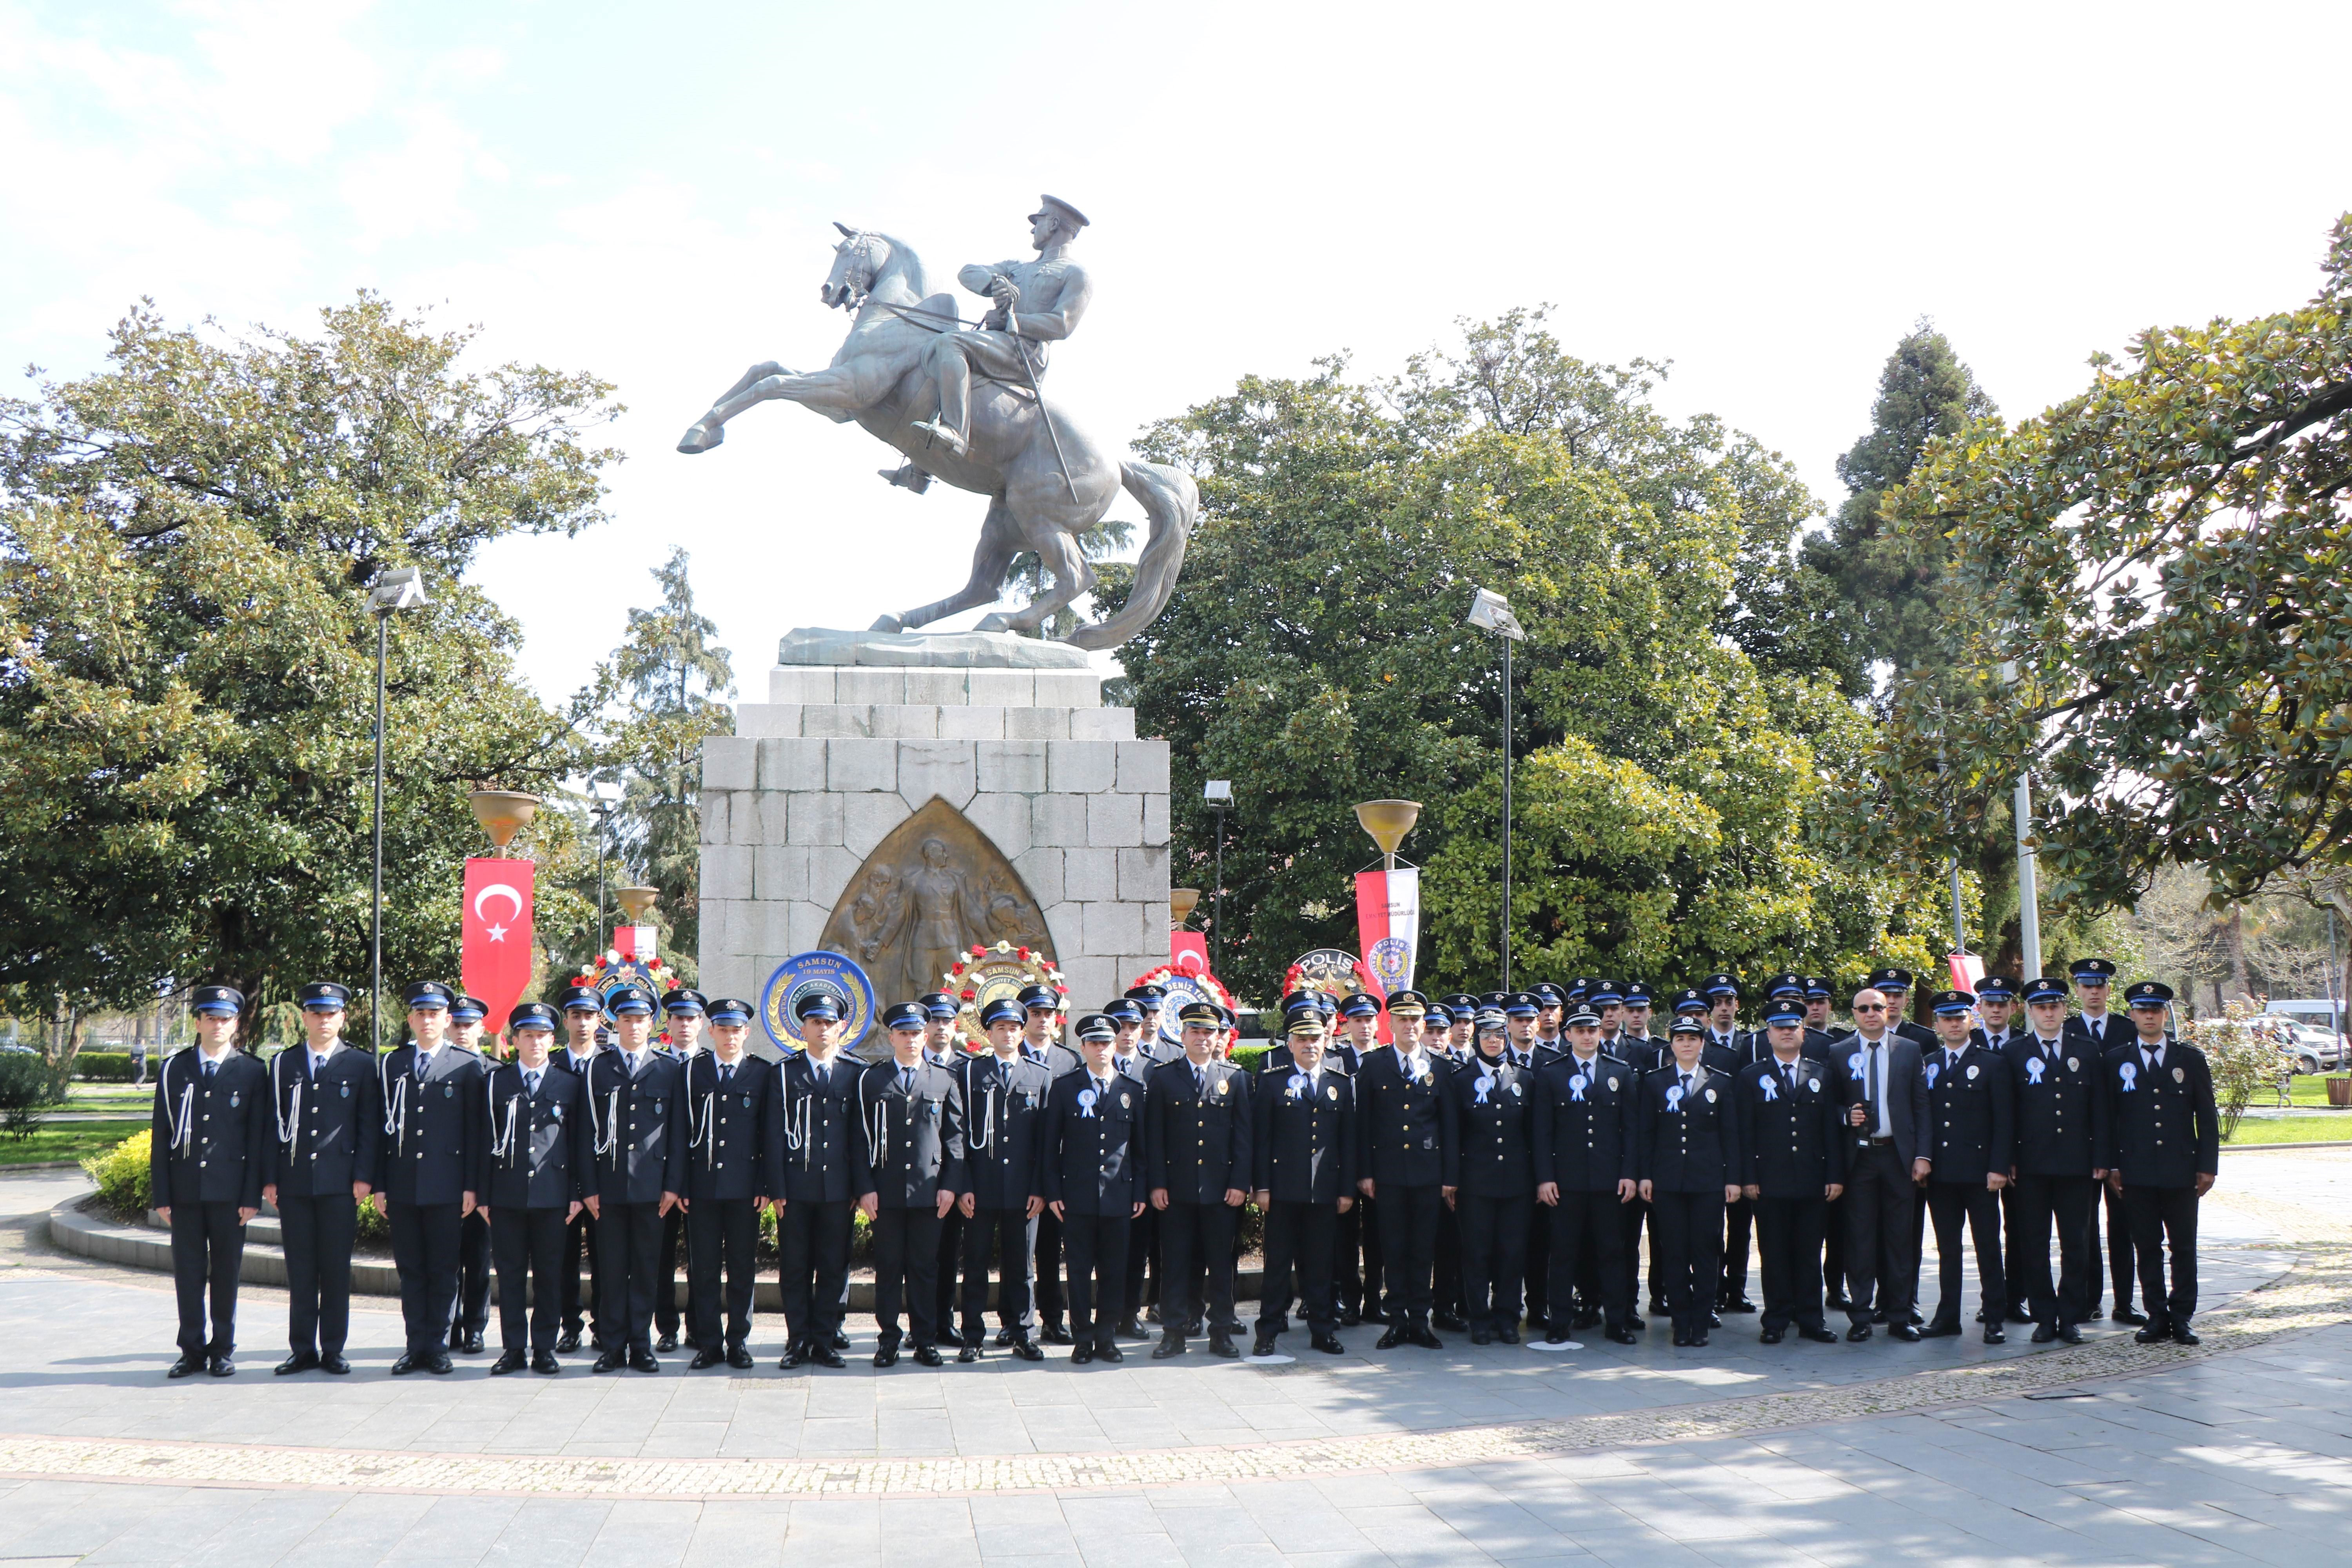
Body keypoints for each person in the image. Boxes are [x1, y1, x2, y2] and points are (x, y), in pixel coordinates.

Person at [907, 195, 1095, 461]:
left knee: (951, 343)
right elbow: (968, 272)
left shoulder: (1076, 274)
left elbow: (1063, 324)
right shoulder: (1017, 268)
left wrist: (1012, 321)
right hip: (997, 344)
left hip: (1025, 353)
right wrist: (994, 282)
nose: (1033, 228)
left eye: (1038, 221)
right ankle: (920, 469)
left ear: (1053, 224)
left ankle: (956, 435)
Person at [151, 984, 270, 1378]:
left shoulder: (252, 1070)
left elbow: (257, 1139)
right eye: (211, 1018)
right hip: (185, 1191)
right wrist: (162, 1194)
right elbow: (162, 1135)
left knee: (225, 1272)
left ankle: (223, 1349)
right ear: (198, 1022)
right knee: (187, 1272)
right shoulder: (175, 1068)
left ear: (236, 1024)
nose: (218, 1025)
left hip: (229, 1192)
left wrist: (251, 1195)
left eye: (226, 1019)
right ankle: (191, 1350)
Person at [264, 981, 379, 1376]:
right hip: (294, 1183)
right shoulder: (283, 1063)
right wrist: (270, 1177)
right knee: (299, 1269)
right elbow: (270, 1126)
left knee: (334, 1268)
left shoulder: (362, 1064)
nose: (324, 1020)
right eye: (317, 1012)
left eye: (332, 1013)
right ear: (306, 1018)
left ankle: (333, 1348)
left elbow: (369, 1125)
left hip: (340, 1183)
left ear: (342, 1017)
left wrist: (365, 1176)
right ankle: (302, 1349)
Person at [374, 981, 486, 1376]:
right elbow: (381, 1130)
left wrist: (472, 1185)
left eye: (434, 1013)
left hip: (447, 1185)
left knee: (443, 1269)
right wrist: (380, 1184)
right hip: (404, 1184)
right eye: (420, 1013)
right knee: (411, 1269)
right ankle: (414, 1345)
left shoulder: (467, 1064)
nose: (427, 1020)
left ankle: (437, 1345)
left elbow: (476, 1133)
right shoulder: (393, 1064)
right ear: (410, 1018)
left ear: (447, 1019)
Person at [477, 1002, 590, 1375]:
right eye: (529, 1036)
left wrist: (577, 1192)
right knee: (509, 1274)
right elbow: (483, 1142)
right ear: (515, 1041)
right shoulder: (496, 1082)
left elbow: (579, 1145)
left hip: (553, 1195)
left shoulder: (569, 1084)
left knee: (549, 1274)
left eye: (543, 1036)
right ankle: (513, 1349)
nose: (536, 1042)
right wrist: (483, 1194)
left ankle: (544, 1347)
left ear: (552, 1039)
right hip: (507, 1194)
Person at [2104, 981, 2220, 1345]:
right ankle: (2156, 1315)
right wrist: (2112, 1165)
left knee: (2183, 1246)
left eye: (2156, 1009)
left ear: (2165, 1014)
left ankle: (2182, 1316)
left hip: (2180, 1169)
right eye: (2142, 1010)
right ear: (2133, 1015)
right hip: (2136, 1171)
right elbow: (2108, 1118)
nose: (2150, 1015)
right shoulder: (2117, 1060)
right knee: (2147, 1247)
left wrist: (2207, 1166)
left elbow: (2207, 1116)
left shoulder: (2190, 1059)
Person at [854, 1002, 967, 1367]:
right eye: (903, 1033)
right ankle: (888, 1339)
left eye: (916, 1033)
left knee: (923, 1268)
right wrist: (865, 1187)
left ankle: (924, 1339)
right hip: (884, 1193)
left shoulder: (943, 1079)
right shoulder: (872, 1080)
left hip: (928, 1192)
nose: (910, 1039)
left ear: (925, 1035)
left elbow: (954, 1139)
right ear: (892, 1037)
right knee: (888, 1268)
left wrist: (950, 1184)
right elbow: (860, 1140)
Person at [583, 984, 686, 1373]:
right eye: (626, 1019)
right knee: (610, 1269)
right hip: (608, 1188)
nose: (633, 1026)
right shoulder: (599, 1066)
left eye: (640, 1020)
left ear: (652, 1024)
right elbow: (585, 1134)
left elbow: (678, 1134)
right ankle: (612, 1346)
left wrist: (672, 1185)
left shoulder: (668, 1069)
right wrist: (589, 1187)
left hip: (651, 1188)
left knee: (645, 1269)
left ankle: (641, 1345)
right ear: (616, 1022)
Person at [2002, 976, 2107, 1343]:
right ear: (2030, 1012)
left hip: (2077, 1165)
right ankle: (2044, 1317)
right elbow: (2007, 1114)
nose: (2049, 1013)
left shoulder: (2087, 1049)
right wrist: (2008, 1159)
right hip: (2030, 1166)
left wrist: (2101, 1157)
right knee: (2033, 1243)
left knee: (2076, 1244)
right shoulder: (2014, 1053)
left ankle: (2070, 1316)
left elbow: (2100, 1110)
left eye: (2055, 1006)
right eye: (2041, 1007)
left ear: (2065, 1009)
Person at [1146, 1000, 1252, 1359]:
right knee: (1174, 1264)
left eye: (1210, 1032)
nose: (1203, 1038)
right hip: (1176, 1191)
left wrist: (1240, 1183)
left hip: (1222, 1192)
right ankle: (1173, 1332)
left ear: (1218, 1036)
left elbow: (1243, 1137)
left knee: (1222, 1266)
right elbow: (1154, 1137)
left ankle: (1221, 1332)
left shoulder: (1235, 1078)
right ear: (1183, 1034)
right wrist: (1158, 1184)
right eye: (1196, 1031)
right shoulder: (1162, 1077)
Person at [1735, 1000, 1845, 1345]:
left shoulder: (1822, 1075)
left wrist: (1835, 1175)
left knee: (1810, 1252)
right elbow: (1744, 1132)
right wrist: (1748, 1177)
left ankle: (1812, 1318)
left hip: (1813, 1179)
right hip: (1769, 1181)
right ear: (1768, 1034)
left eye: (1792, 1026)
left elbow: (1831, 1132)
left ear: (1803, 1033)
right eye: (1779, 1027)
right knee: (1775, 1253)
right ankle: (1777, 1319)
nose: (1786, 1032)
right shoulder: (1751, 1077)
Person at [1042, 1013, 1146, 1362]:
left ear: (1115, 1046)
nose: (1102, 1049)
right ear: (1083, 1047)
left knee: (1114, 1272)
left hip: (1119, 1198)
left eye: (1107, 1043)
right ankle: (1083, 1338)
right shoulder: (1064, 1087)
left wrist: (1140, 1191)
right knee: (1079, 1271)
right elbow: (1050, 1147)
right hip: (1077, 1198)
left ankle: (1107, 1338)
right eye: (1095, 1043)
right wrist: (1054, 1192)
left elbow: (1141, 1149)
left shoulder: (1132, 1090)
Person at [1252, 1006, 1355, 1356]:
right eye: (1303, 1040)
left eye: (1316, 1039)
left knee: (1321, 1265)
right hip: (1282, 1191)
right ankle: (1267, 1330)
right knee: (1277, 1265)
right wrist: (1261, 1187)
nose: (1310, 1045)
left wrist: (1345, 1190)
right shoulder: (1272, 1081)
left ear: (1326, 1042)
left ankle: (1322, 1330)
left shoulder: (1340, 1084)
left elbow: (1347, 1143)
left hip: (1325, 1192)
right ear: (1291, 1044)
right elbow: (1261, 1140)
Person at [1534, 1005, 1639, 1345]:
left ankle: (1617, 1322)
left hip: (1610, 1182)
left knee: (1612, 1252)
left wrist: (1629, 1173)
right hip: (1567, 1182)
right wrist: (1545, 1178)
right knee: (1563, 1254)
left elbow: (1631, 1131)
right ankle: (1560, 1322)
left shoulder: (1620, 1072)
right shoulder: (1551, 1074)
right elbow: (1543, 1133)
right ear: (1569, 1035)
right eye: (1580, 1030)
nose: (1588, 1036)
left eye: (1592, 1030)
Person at [956, 996, 1053, 1362]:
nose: (1009, 1034)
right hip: (980, 1188)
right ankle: (973, 1337)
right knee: (976, 1265)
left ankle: (1023, 1333)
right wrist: (963, 1184)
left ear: (1022, 1031)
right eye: (1001, 1028)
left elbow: (1046, 1142)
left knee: (1022, 1267)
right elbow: (958, 1136)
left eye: (1014, 1028)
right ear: (989, 1033)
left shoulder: (1040, 1076)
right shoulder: (969, 1073)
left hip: (1023, 1191)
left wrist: (1040, 1189)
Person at [679, 996, 774, 1370]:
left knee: (741, 1268)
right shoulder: (692, 1072)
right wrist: (681, 1184)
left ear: (747, 1033)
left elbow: (769, 1136)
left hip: (744, 1189)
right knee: (702, 1269)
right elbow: (680, 1133)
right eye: (724, 1029)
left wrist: (765, 1184)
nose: (730, 1036)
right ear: (712, 1031)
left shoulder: (762, 1074)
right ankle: (709, 1343)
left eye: (737, 1029)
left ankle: (738, 1341)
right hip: (702, 1188)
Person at [1635, 1017, 1742, 1347]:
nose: (1686, 1044)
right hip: (1668, 1182)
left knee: (1707, 1251)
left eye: (1693, 1039)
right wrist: (1645, 1176)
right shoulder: (1655, 1082)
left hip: (1708, 1182)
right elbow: (1646, 1135)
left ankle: (1702, 1323)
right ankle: (1680, 1323)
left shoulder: (1720, 1082)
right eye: (1680, 1038)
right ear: (1671, 1044)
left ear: (1702, 1044)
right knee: (1675, 1253)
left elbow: (1731, 1136)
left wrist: (1733, 1179)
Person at [1916, 990, 2014, 1343]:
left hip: (1980, 1173)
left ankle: (1994, 1316)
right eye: (1947, 1018)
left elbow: (2004, 1121)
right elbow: (1923, 1116)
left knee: (1987, 1245)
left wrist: (1999, 1167)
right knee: (1948, 1248)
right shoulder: (1927, 1063)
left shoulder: (1992, 1062)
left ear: (1971, 1019)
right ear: (1938, 1024)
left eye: (1959, 1017)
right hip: (1942, 1173)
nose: (1954, 1024)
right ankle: (1947, 1316)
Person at [1835, 987, 1931, 1342]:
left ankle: (1899, 1315)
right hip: (1859, 1158)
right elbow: (1830, 1104)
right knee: (1860, 1240)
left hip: (1898, 1158)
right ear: (1855, 1014)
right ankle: (1860, 1316)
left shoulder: (1909, 1050)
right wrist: (1846, 1115)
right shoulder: (1839, 1052)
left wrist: (1923, 1155)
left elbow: (1922, 1106)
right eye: (1864, 1009)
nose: (1873, 1013)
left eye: (1879, 1007)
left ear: (1888, 1011)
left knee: (1900, 1240)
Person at [773, 990, 859, 1369]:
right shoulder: (784, 1073)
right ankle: (797, 1341)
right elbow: (772, 1135)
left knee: (833, 1266)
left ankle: (824, 1340)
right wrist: (775, 1188)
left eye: (829, 1023)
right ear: (802, 1028)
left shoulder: (856, 1074)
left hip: (839, 1190)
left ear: (840, 1028)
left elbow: (861, 1137)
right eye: (816, 1023)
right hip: (795, 1188)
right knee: (794, 1267)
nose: (823, 1029)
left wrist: (860, 1187)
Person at [1355, 993, 1446, 1350]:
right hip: (1388, 1174)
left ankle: (1420, 1322)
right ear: (1389, 1025)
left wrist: (1449, 1176)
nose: (1410, 1026)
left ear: (1423, 1025)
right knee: (1393, 1248)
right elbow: (1363, 1125)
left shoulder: (1440, 1066)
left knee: (1423, 1250)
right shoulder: (1374, 1066)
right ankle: (1396, 1321)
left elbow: (1447, 1125)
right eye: (1402, 1020)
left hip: (1428, 1174)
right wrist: (1364, 1171)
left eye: (1415, 1020)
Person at [1440, 1004, 1534, 1345]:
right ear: (1476, 1039)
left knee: (1512, 1253)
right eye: (1486, 1035)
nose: (1493, 1040)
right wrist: (1451, 1180)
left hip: (1516, 1183)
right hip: (1475, 1182)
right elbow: (1452, 1134)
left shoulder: (1524, 1077)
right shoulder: (1460, 1080)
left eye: (1498, 1034)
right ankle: (1480, 1318)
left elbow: (1533, 1135)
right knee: (1477, 1253)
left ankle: (1508, 1318)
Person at [2066, 956, 2143, 1325]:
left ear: (2109, 989)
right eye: (2087, 985)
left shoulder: (2128, 1029)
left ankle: (2125, 1302)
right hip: (2080, 1145)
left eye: (2100, 985)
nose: (2094, 991)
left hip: (2122, 1143)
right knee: (2084, 1229)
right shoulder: (2064, 1029)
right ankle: (2088, 1299)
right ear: (2078, 990)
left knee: (2123, 1227)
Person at [1017, 984, 1079, 1344]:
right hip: (1020, 1170)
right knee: (1020, 1253)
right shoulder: (1010, 1053)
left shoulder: (1069, 1060)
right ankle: (1015, 1320)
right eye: (1035, 1014)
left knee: (1054, 1250)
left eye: (1047, 1014)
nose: (1042, 1020)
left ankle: (1053, 1319)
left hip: (1058, 1170)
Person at [650, 988, 707, 1354]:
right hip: (662, 1179)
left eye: (691, 1018)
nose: (685, 1025)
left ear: (702, 1024)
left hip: (702, 1180)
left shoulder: (708, 1064)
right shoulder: (658, 1065)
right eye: (678, 1018)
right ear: (667, 1023)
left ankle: (698, 1326)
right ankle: (667, 1327)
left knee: (701, 1259)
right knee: (662, 1257)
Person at [550, 987, 605, 1354]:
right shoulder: (551, 1064)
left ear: (599, 1020)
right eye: (576, 1016)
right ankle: (569, 1326)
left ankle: (604, 1325)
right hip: (559, 1180)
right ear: (566, 1021)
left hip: (603, 1181)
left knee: (606, 1260)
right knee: (562, 1260)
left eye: (589, 1016)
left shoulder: (611, 1064)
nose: (583, 1024)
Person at [918, 991, 971, 1345]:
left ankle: (945, 1321)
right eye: (934, 1020)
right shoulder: (908, 1062)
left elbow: (966, 1133)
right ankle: (920, 1326)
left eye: (946, 1021)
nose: (940, 1027)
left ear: (956, 1026)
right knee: (918, 1260)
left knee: (949, 1255)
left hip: (952, 1179)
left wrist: (962, 1183)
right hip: (917, 1181)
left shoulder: (968, 1069)